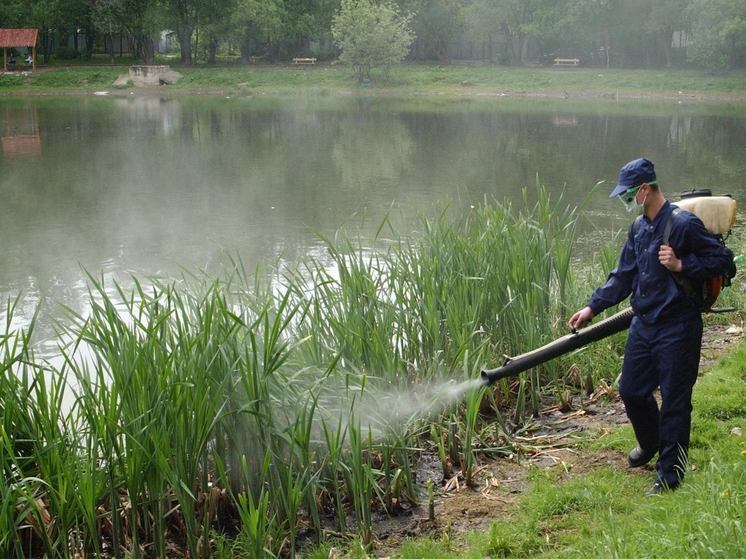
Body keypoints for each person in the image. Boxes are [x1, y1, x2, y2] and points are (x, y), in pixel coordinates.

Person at [568, 157, 733, 496]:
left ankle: (669, 477)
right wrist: (591, 307)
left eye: (628, 194)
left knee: (674, 401)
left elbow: (724, 263)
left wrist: (681, 263)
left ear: (644, 189)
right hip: (644, 325)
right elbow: (624, 276)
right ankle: (651, 442)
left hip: (678, 328)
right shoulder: (639, 229)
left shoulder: (683, 224)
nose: (626, 201)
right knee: (631, 389)